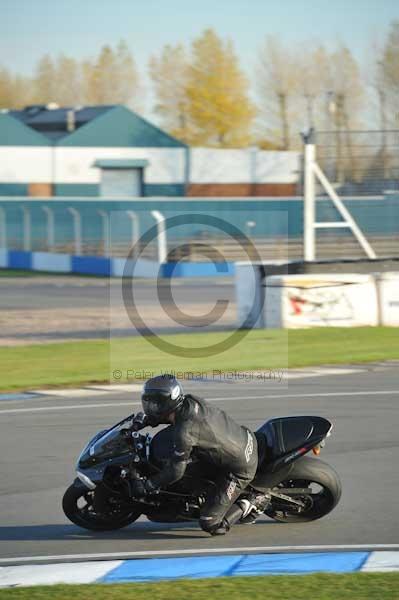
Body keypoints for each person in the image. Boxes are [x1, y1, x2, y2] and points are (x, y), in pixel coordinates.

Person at [130, 374, 268, 535]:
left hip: (241, 468)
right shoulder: (189, 402)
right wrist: (147, 420)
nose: (150, 406)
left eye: (154, 403)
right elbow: (172, 417)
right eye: (148, 402)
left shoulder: (185, 432)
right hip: (240, 438)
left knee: (210, 524)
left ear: (166, 402)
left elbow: (175, 472)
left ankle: (253, 501)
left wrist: (149, 485)